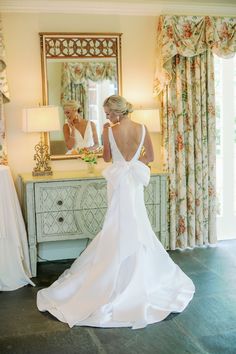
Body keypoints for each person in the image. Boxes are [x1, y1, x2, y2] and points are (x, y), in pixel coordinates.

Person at [37, 95, 195, 329]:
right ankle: (135, 267)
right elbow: (150, 157)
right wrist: (134, 159)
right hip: (133, 182)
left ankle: (115, 271)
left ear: (117, 112)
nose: (107, 117)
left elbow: (107, 158)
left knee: (117, 222)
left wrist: (113, 143)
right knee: (137, 221)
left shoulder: (110, 130)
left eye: (109, 113)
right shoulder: (142, 128)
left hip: (120, 182)